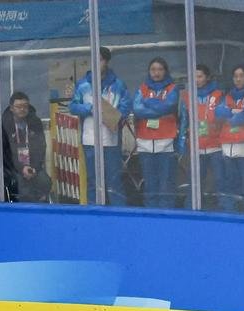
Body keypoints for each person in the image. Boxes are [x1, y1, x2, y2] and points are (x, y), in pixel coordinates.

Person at [70, 46, 130, 206]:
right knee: (93, 180)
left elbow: (126, 107)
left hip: (111, 139)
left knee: (114, 179)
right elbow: (73, 106)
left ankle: (119, 214)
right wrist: (90, 108)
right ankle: (93, 212)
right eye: (94, 60)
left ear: (107, 61)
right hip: (90, 140)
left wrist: (114, 116)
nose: (97, 63)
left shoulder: (119, 85)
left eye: (101, 60)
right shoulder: (82, 85)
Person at [132, 57, 181, 208]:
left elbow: (169, 106)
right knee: (150, 181)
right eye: (153, 69)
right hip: (145, 142)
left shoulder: (173, 88)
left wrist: (148, 103)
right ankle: (151, 212)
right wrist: (157, 108)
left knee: (166, 181)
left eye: (160, 69)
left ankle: (167, 213)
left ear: (165, 71)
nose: (156, 73)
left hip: (166, 142)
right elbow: (137, 109)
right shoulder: (142, 88)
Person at [178, 63, 224, 208]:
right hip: (196, 147)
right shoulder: (186, 96)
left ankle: (224, 211)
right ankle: (191, 210)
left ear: (207, 77)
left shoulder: (218, 95)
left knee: (220, 180)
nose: (196, 79)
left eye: (200, 76)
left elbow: (224, 120)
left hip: (216, 146)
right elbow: (184, 121)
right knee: (194, 182)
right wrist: (181, 144)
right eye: (194, 77)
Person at [214, 64, 244, 213]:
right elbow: (218, 112)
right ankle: (231, 214)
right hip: (228, 147)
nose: (238, 79)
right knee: (230, 183)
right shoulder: (227, 96)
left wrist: (231, 115)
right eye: (235, 76)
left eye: (241, 76)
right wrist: (234, 111)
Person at [1, 92, 52, 203]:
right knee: (22, 186)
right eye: (18, 107)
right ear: (11, 108)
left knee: (45, 181)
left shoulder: (35, 122)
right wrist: (21, 168)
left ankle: (41, 208)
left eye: (25, 106)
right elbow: (5, 152)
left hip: (33, 166)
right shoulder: (5, 124)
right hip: (13, 168)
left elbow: (41, 147)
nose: (22, 109)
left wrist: (34, 167)